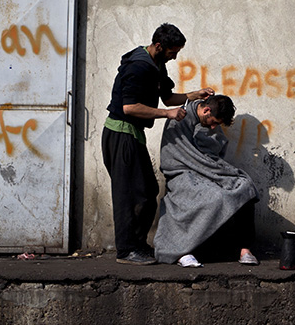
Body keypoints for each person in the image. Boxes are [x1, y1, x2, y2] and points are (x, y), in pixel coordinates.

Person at [103, 23, 213, 265]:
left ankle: (138, 245)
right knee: (128, 195)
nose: (175, 56)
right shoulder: (139, 67)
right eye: (173, 51)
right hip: (120, 135)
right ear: (159, 46)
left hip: (132, 134)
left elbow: (168, 96)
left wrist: (193, 95)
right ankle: (126, 251)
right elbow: (129, 107)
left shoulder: (156, 64)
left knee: (147, 191)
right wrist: (167, 114)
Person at [154, 94, 260, 267]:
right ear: (206, 110)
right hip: (182, 173)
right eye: (213, 122)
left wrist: (206, 136)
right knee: (216, 197)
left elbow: (213, 149)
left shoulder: (208, 121)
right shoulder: (179, 118)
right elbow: (172, 156)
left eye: (216, 124)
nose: (213, 126)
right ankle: (184, 249)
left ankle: (245, 250)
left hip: (208, 170)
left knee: (245, 186)